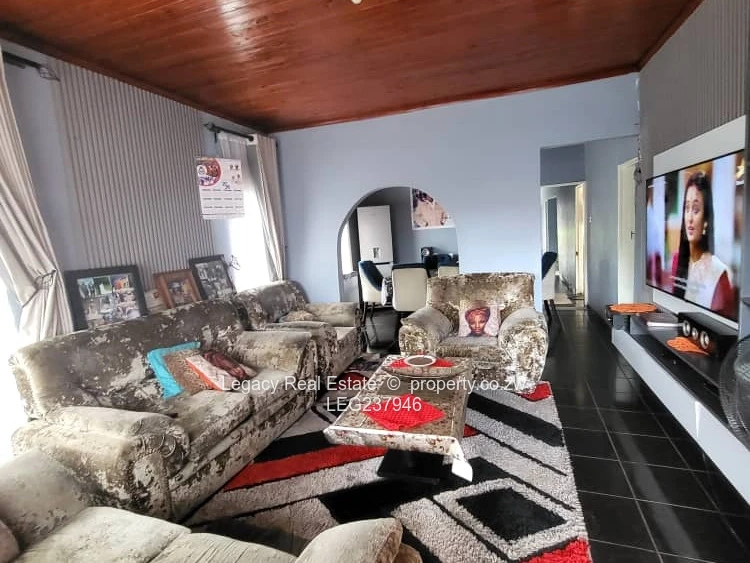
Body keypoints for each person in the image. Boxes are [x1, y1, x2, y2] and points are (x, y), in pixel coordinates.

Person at [671, 171, 734, 317]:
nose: (689, 218)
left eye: (696, 210)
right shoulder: (677, 259)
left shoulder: (719, 273)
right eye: (686, 208)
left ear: (706, 220)